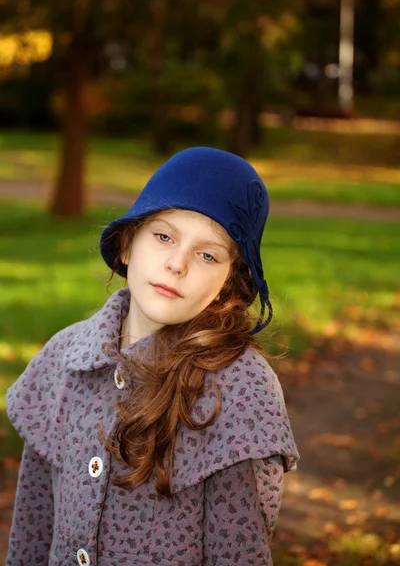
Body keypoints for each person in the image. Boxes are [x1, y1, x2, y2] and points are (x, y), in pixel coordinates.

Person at [6, 147, 300, 566]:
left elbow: (240, 553)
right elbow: (31, 536)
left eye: (207, 255)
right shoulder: (64, 360)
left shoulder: (241, 389)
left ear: (227, 285)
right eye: (163, 236)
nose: (176, 264)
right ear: (127, 245)